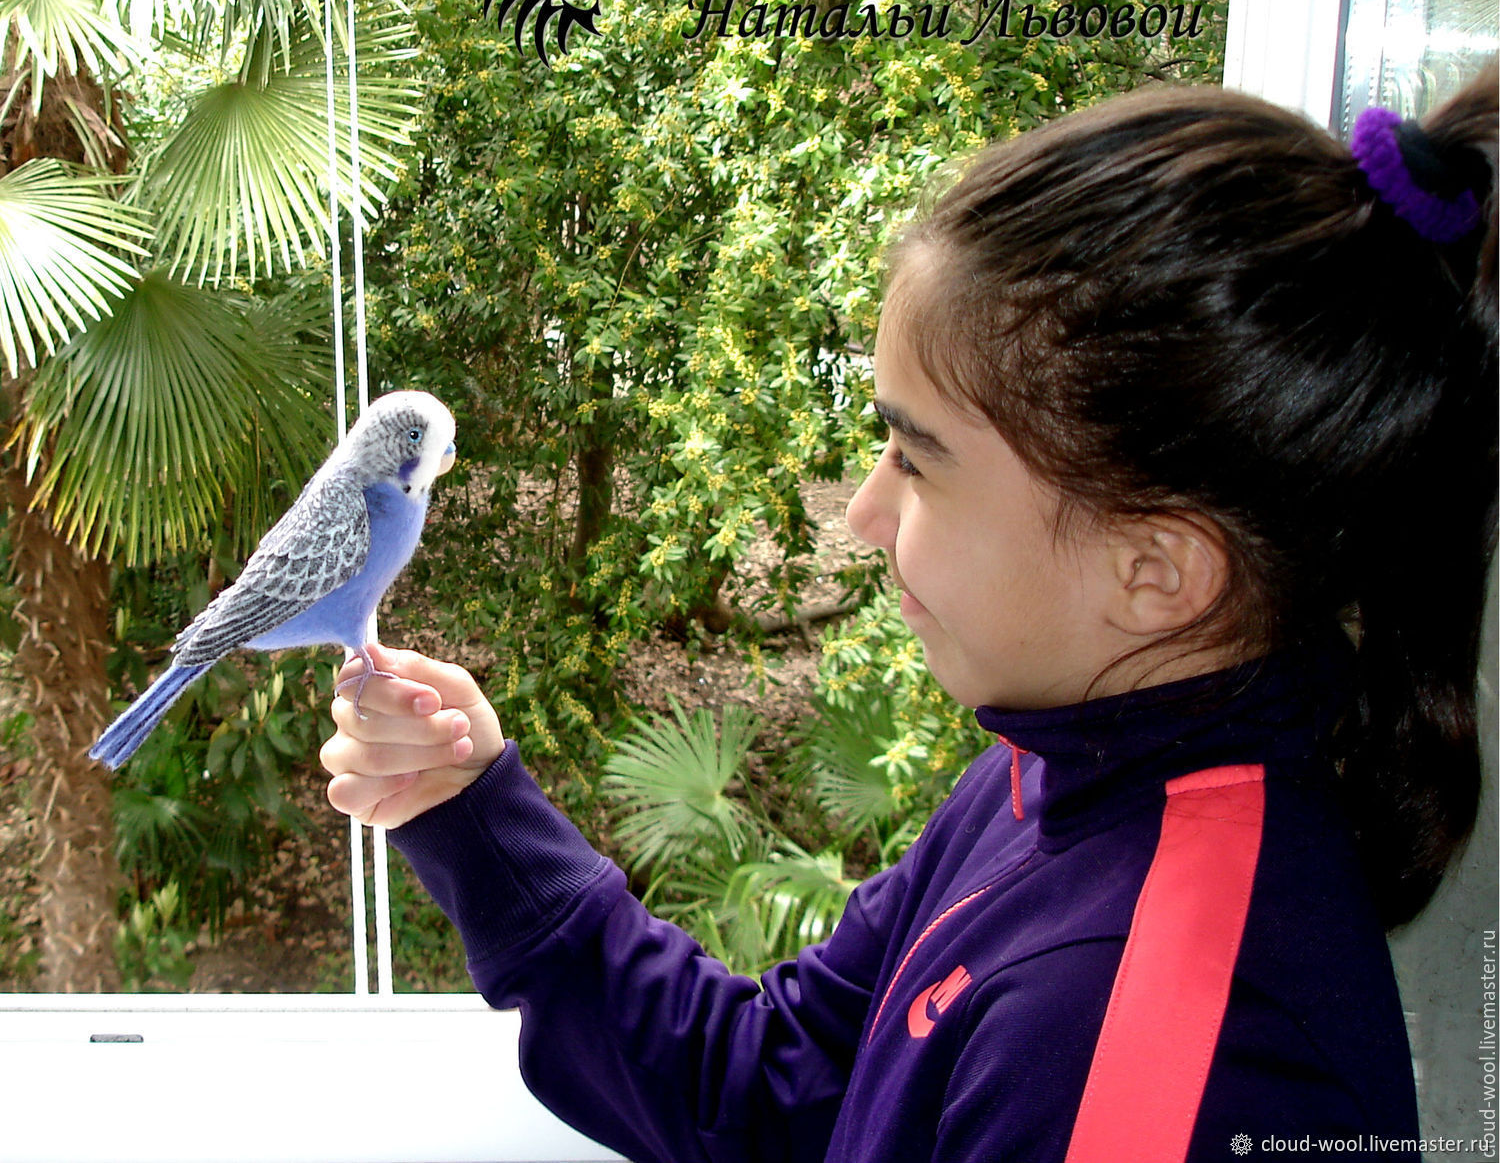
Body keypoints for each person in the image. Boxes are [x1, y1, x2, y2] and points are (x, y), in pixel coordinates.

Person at [318, 63, 1497, 1163]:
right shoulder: (1055, 776)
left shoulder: (1158, 1047)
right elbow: (775, 1084)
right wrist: (473, 812)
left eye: (918, 461)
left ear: (1157, 570)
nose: (866, 513)